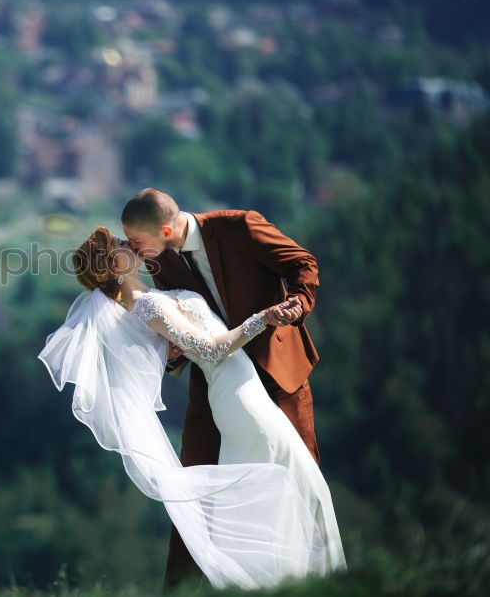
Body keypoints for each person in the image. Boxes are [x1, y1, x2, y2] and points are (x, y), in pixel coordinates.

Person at [38, 226, 345, 589]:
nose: (126, 244)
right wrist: (264, 318)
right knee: (304, 486)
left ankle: (310, 584)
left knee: (296, 492)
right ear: (113, 265)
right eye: (117, 245)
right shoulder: (148, 305)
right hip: (237, 399)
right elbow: (211, 350)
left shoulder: (152, 296)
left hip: (245, 392)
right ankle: (326, 584)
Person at [121, 189, 323, 588]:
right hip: (214, 385)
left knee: (300, 475)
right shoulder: (159, 258)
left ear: (165, 229)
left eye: (135, 241)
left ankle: (312, 580)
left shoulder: (240, 226)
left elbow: (303, 264)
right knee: (192, 486)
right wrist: (175, 354)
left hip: (278, 371)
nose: (131, 248)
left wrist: (297, 305)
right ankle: (184, 589)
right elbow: (184, 332)